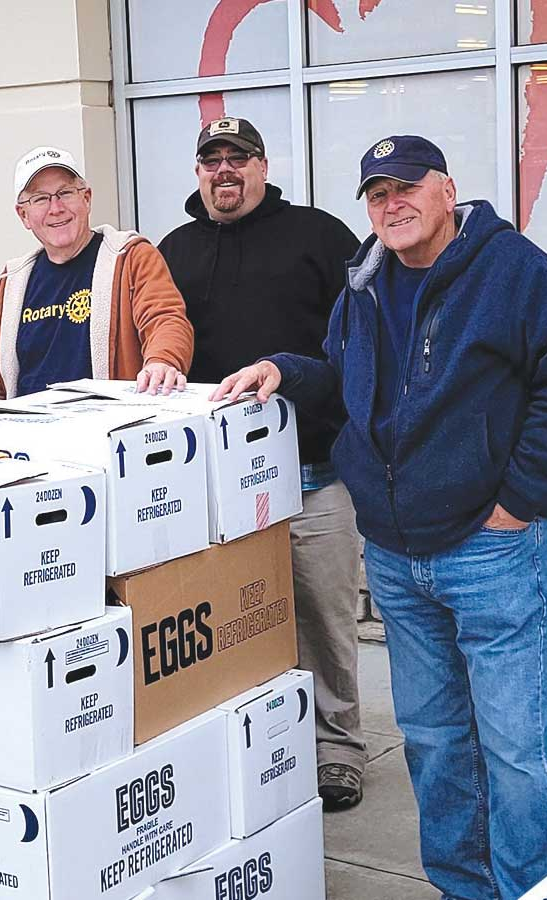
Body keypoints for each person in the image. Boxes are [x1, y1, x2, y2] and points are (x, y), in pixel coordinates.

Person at [213, 135, 547, 899]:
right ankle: (463, 887)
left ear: (447, 190)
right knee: (434, 743)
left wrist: (518, 502)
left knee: (521, 751)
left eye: (405, 187)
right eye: (375, 193)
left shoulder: (513, 272)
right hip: (395, 555)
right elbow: (342, 375)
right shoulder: (364, 280)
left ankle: (534, 888)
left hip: (493, 551)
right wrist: (284, 370)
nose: (390, 204)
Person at [158, 117, 367, 811]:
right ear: (197, 173)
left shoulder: (318, 235)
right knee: (233, 625)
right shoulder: (175, 250)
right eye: (211, 159)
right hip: (216, 485)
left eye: (238, 158)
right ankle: (255, 748)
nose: (224, 170)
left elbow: (361, 345)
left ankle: (337, 748)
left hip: (312, 470)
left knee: (323, 619)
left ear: (263, 165)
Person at [0, 146, 194, 398]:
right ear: (23, 215)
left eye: (65, 193)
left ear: (87, 198)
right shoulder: (9, 285)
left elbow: (165, 318)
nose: (55, 208)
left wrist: (162, 361)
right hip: (29, 433)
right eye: (40, 199)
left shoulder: (132, 257)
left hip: (107, 429)